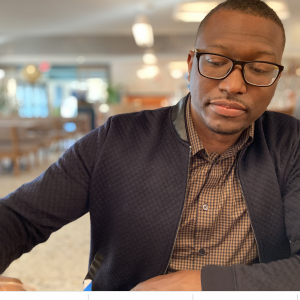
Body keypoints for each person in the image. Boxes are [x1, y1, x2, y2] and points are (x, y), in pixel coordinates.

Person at [1, 0, 300, 291]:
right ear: (190, 65)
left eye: (260, 69)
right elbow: (20, 218)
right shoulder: (116, 139)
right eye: (216, 62)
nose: (234, 85)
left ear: (276, 78)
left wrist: (201, 284)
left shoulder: (291, 144)